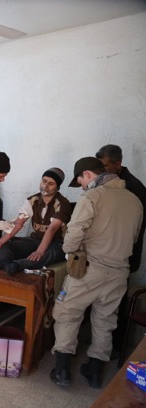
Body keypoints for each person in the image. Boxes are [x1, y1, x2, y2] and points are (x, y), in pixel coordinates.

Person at [50, 157, 142, 389]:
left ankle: (62, 371)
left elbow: (75, 230)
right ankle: (94, 372)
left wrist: (69, 253)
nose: (81, 185)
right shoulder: (135, 201)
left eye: (80, 180)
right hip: (119, 273)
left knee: (67, 313)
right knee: (105, 321)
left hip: (88, 270)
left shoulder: (92, 196)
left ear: (88, 175)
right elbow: (133, 239)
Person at [0, 167, 72, 275]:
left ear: (57, 187)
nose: (45, 186)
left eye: (51, 183)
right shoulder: (32, 200)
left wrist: (40, 251)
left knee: (49, 255)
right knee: (6, 245)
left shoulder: (63, 204)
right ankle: (4, 262)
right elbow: (18, 223)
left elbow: (52, 229)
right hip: (35, 240)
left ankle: (17, 265)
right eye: (44, 181)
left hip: (56, 244)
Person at [95, 144, 146, 273]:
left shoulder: (132, 187)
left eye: (104, 166)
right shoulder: (107, 184)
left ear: (117, 164)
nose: (100, 170)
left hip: (124, 252)